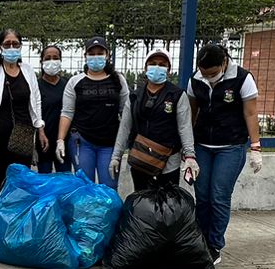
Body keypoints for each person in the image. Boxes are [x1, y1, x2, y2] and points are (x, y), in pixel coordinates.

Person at [189, 43, 263, 267]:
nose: (208, 78)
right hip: (202, 145)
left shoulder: (242, 78)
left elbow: (250, 113)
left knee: (219, 196)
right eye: (204, 73)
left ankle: (214, 245)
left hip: (230, 146)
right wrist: (187, 149)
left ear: (224, 63)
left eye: (212, 73)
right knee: (202, 196)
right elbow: (191, 113)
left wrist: (256, 147)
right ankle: (200, 240)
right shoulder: (195, 80)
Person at [0, 28, 46, 200]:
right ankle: (0, 213)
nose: (11, 47)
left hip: (23, 136)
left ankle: (18, 215)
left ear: (20, 46)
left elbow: (36, 101)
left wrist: (40, 130)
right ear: (0, 46)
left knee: (21, 181)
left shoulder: (28, 71)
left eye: (15, 44)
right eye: (7, 44)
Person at [112, 48, 196, 193]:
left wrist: (190, 155)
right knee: (142, 200)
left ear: (169, 69)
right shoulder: (135, 96)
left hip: (169, 160)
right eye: (153, 63)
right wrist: (116, 156)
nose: (157, 67)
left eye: (162, 64)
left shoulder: (177, 95)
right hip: (140, 159)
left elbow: (185, 127)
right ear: (145, 68)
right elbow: (125, 127)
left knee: (169, 200)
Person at [57, 36, 130, 186]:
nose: (96, 57)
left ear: (107, 55)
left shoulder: (118, 80)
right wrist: (60, 140)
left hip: (110, 144)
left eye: (100, 53)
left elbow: (126, 112)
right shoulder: (75, 82)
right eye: (92, 53)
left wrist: (126, 141)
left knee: (108, 188)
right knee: (85, 188)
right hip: (82, 142)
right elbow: (67, 112)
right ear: (85, 56)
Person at [35, 43, 74, 175]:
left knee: (64, 179)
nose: (52, 61)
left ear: (60, 60)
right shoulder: (36, 86)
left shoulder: (67, 84)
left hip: (64, 142)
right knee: (45, 179)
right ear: (41, 61)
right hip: (43, 141)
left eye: (55, 58)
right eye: (48, 58)